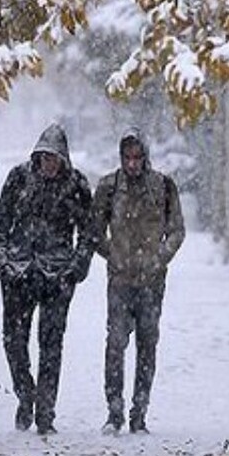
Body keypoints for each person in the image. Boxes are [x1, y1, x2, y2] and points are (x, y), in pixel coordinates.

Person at [0, 122, 94, 435]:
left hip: (57, 275)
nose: (49, 164)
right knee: (14, 342)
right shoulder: (18, 178)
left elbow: (88, 232)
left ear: (63, 159)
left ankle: (46, 412)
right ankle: (26, 394)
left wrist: (76, 268)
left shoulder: (76, 184)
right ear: (37, 157)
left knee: (51, 345)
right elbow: (1, 225)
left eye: (54, 159)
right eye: (44, 158)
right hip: (18, 274)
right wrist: (2, 263)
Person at [91, 128, 185, 434]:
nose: (132, 164)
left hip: (151, 281)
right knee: (115, 344)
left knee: (147, 346)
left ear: (145, 157)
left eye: (137, 157)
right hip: (120, 280)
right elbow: (94, 230)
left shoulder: (162, 187)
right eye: (127, 157)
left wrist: (159, 258)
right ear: (120, 157)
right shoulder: (109, 187)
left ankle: (140, 411)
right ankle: (114, 411)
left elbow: (176, 230)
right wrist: (114, 255)